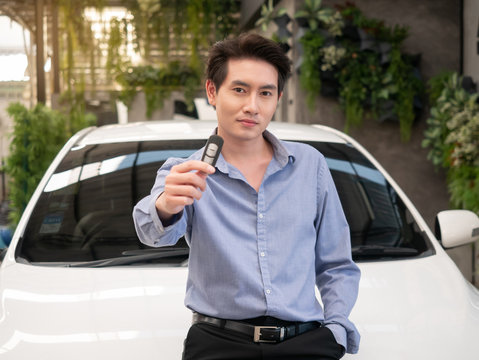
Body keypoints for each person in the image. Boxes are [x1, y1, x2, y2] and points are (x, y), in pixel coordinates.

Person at [133, 33, 360, 360]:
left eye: (265, 93)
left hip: (306, 342)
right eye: (239, 90)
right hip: (217, 343)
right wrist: (166, 206)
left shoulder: (310, 165)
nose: (252, 106)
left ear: (277, 98)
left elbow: (337, 263)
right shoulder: (185, 172)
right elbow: (152, 232)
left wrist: (336, 330)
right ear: (213, 91)